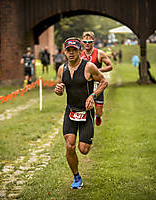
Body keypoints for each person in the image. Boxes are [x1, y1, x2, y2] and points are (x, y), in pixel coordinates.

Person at [54, 37, 108, 189]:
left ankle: (90, 132)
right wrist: (58, 90)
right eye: (68, 50)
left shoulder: (89, 67)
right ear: (65, 52)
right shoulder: (61, 69)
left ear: (80, 51)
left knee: (83, 150)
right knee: (70, 146)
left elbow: (104, 82)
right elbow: (60, 90)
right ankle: (77, 177)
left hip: (86, 112)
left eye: (74, 50)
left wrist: (93, 95)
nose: (71, 53)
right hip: (70, 111)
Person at [81, 31, 112, 126]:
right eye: (85, 42)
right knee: (85, 107)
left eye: (89, 42)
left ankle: (98, 116)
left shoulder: (99, 53)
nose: (87, 44)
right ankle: (87, 124)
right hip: (85, 84)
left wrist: (98, 71)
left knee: (98, 110)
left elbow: (110, 66)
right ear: (82, 42)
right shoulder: (79, 54)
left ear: (93, 42)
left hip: (97, 85)